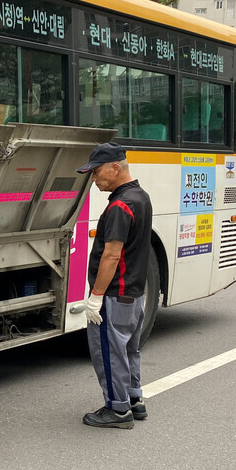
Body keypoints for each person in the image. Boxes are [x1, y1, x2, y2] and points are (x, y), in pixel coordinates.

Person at [77, 143, 153, 429]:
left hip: (114, 295)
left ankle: (117, 410)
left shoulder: (121, 205)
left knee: (109, 353)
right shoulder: (140, 197)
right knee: (129, 349)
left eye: (97, 172)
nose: (94, 179)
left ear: (115, 168)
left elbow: (111, 254)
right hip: (134, 294)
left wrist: (95, 296)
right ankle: (134, 399)